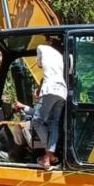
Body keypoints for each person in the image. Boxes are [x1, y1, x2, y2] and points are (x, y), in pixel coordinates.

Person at [32, 37, 66, 169]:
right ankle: (48, 157)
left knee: (37, 120)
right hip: (62, 91)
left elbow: (39, 64)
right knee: (54, 122)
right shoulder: (61, 56)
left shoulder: (42, 47)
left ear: (49, 43)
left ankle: (49, 154)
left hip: (50, 88)